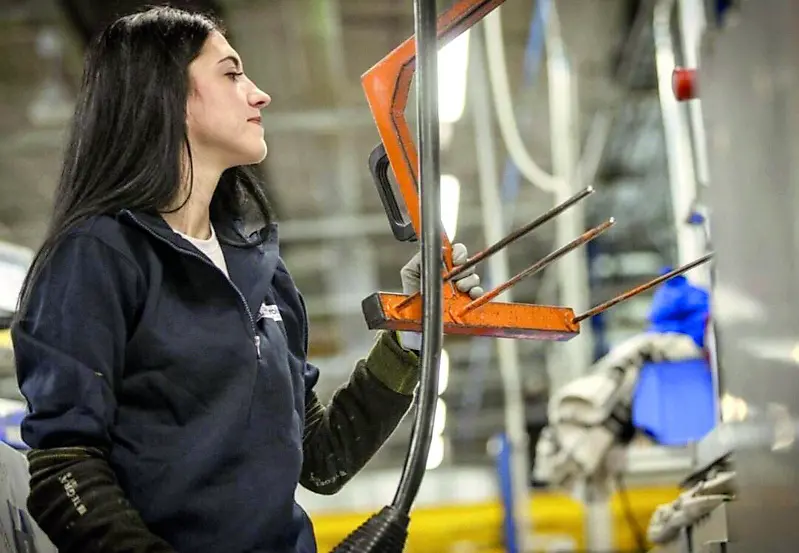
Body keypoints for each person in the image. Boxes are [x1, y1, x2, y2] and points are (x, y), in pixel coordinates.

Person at [10, 7, 483, 553]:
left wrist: (410, 335)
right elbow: (63, 464)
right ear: (164, 94)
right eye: (232, 74)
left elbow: (320, 460)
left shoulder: (262, 272)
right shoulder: (97, 256)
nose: (260, 94)